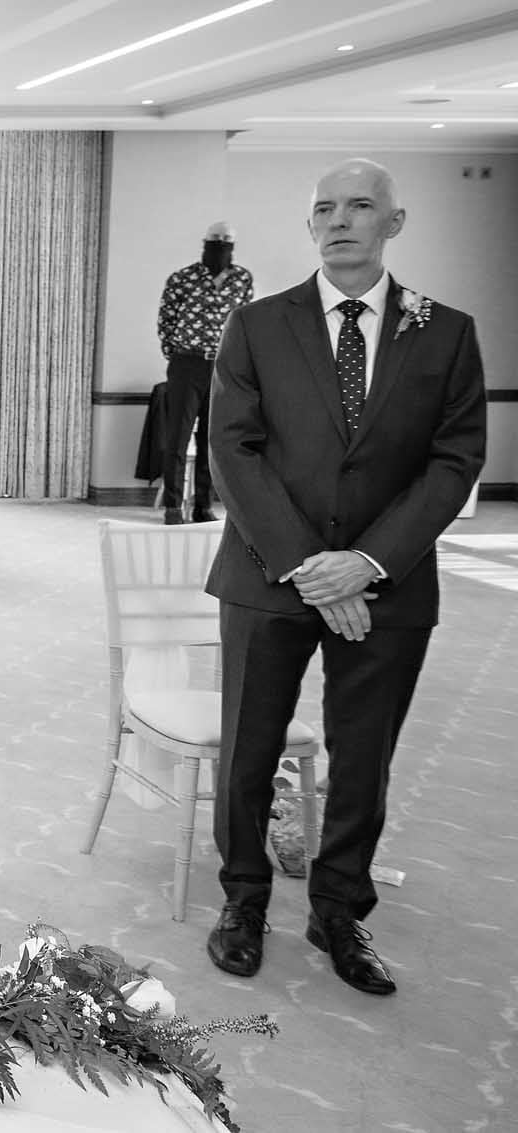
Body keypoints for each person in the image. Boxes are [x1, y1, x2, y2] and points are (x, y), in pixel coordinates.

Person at [204, 159, 485, 997]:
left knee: (364, 758)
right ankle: (244, 899)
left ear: (395, 221)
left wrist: (364, 563)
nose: (340, 220)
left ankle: (339, 911)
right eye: (324, 207)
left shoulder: (446, 331)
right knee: (249, 751)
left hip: (388, 586)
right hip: (268, 576)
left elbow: (455, 457)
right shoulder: (256, 324)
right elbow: (233, 449)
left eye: (361, 205)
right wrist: (308, 567)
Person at [157, 221, 253, 524]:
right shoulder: (182, 278)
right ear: (205, 242)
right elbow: (166, 322)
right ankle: (172, 506)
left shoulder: (242, 280)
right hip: (187, 364)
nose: (220, 244)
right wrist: (179, 357)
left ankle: (203, 505)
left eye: (226, 240)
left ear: (233, 245)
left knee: (213, 440)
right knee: (178, 437)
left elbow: (245, 324)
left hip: (223, 368)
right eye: (215, 239)